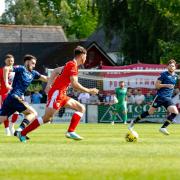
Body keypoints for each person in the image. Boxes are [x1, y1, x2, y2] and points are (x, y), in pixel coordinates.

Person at [16, 46, 99, 143]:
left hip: (62, 94)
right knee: (47, 118)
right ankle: (22, 133)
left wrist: (49, 85)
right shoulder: (72, 65)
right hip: (57, 94)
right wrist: (89, 90)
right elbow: (75, 84)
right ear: (81, 56)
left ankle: (71, 131)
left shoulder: (70, 64)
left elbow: (55, 71)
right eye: (85, 56)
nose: (86, 58)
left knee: (81, 108)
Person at [0, 54, 48, 137]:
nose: (34, 65)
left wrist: (59, 77)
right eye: (33, 63)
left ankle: (18, 130)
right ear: (27, 62)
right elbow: (6, 68)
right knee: (33, 113)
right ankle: (19, 131)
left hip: (11, 98)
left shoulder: (33, 73)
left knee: (2, 118)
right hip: (15, 96)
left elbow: (46, 78)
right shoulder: (21, 68)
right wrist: (7, 83)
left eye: (35, 64)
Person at [129, 59, 179, 135]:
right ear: (167, 66)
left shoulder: (175, 76)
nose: (171, 67)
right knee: (150, 112)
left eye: (173, 66)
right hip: (160, 97)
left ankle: (163, 127)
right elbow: (156, 86)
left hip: (168, 98)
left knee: (175, 112)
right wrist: (166, 85)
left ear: (175, 67)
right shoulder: (163, 74)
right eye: (170, 65)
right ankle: (133, 122)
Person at [0, 54, 19, 136]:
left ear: (13, 61)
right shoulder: (1, 70)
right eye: (8, 61)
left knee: (17, 112)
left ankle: (12, 126)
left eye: (11, 61)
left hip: (15, 93)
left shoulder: (17, 70)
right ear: (5, 61)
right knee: (6, 112)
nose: (10, 62)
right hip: (4, 93)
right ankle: (7, 129)